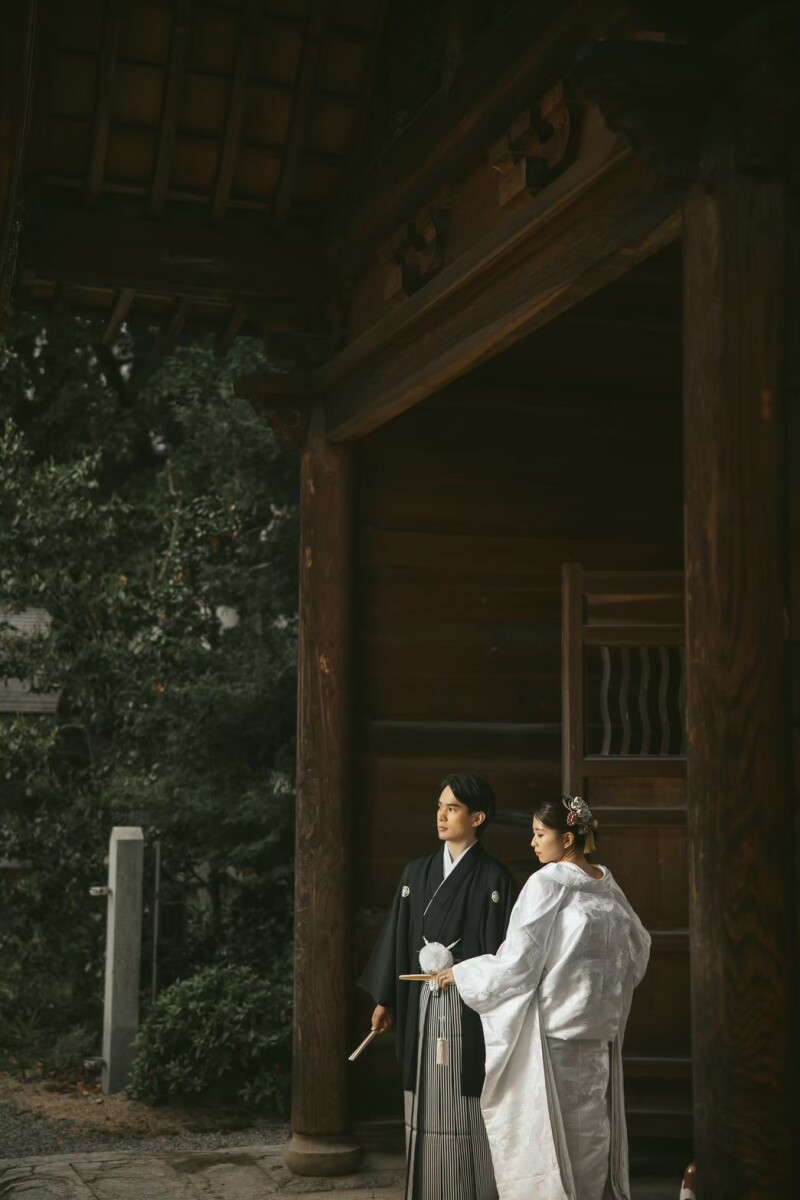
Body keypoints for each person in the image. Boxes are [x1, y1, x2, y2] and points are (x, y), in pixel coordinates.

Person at [435, 795, 650, 1200]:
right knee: (586, 1134)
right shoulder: (607, 883)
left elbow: (518, 962)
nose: (533, 843)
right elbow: (638, 951)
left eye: (539, 834)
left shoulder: (548, 882)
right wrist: (599, 989)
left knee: (565, 1137)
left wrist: (464, 972)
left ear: (567, 838)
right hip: (594, 1027)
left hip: (555, 1033)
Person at [358, 773, 518, 1200]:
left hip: (466, 1008)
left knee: (462, 1098)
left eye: (453, 808)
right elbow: (397, 937)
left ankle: (470, 1191)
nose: (441, 815)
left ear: (478, 817)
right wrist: (385, 998)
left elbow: (506, 957)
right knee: (422, 1098)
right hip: (420, 1002)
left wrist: (466, 977)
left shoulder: (495, 880)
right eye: (440, 807)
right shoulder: (416, 873)